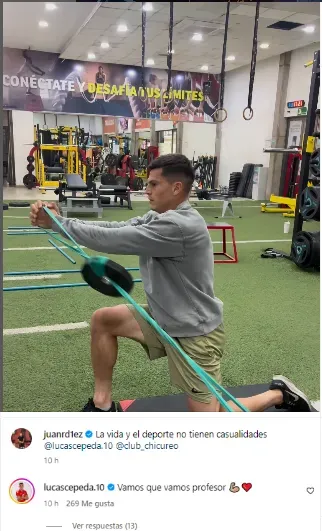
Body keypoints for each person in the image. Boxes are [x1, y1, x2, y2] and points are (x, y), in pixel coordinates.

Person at [30, 154, 312, 414]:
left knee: (208, 422)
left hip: (195, 332)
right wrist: (60, 219)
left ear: (177, 188)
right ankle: (102, 405)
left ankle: (278, 394)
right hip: (163, 318)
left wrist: (57, 225)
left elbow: (112, 241)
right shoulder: (158, 216)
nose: (146, 190)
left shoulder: (179, 226)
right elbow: (116, 228)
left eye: (153, 184)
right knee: (104, 320)